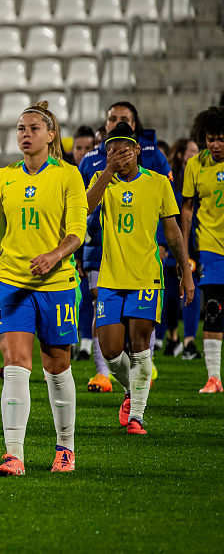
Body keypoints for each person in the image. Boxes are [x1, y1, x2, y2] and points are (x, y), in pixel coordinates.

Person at [0, 101, 85, 475]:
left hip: (57, 285)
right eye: (21, 128)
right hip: (12, 284)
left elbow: (77, 232)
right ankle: (14, 454)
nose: (26, 134)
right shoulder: (4, 177)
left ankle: (65, 448)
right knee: (16, 365)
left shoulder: (68, 176)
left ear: (51, 136)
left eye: (34, 128)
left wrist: (54, 255)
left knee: (58, 367)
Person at [86, 122, 195, 434]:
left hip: (146, 277)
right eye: (110, 151)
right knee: (110, 351)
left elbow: (173, 232)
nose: (117, 155)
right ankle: (131, 390)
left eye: (122, 149)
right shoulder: (102, 180)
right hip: (110, 277)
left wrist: (185, 272)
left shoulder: (158, 183)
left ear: (136, 150)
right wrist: (106, 174)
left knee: (139, 345)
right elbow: (84, 208)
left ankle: (137, 417)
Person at [78, 102, 171, 393]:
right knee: (107, 335)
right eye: (113, 118)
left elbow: (167, 216)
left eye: (124, 119)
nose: (118, 122)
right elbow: (82, 209)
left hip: (143, 264)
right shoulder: (93, 163)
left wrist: (168, 248)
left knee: (140, 338)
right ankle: (112, 375)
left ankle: (137, 403)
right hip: (103, 259)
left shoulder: (154, 159)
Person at [181, 107, 224, 394]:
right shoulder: (195, 165)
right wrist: (184, 252)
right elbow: (186, 210)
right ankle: (213, 377)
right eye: (211, 139)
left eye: (221, 139)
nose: (216, 145)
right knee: (213, 308)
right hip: (209, 245)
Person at [160, 138, 202, 358]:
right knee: (169, 295)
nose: (196, 154)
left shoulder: (198, 174)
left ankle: (188, 341)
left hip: (192, 241)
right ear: (180, 155)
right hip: (172, 241)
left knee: (191, 288)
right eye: (192, 151)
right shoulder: (171, 179)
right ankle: (173, 337)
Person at [70, 125, 98, 361]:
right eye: (79, 148)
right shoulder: (67, 175)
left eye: (88, 148)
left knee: (89, 295)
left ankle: (86, 343)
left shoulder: (97, 176)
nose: (83, 152)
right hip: (72, 247)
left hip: (91, 246)